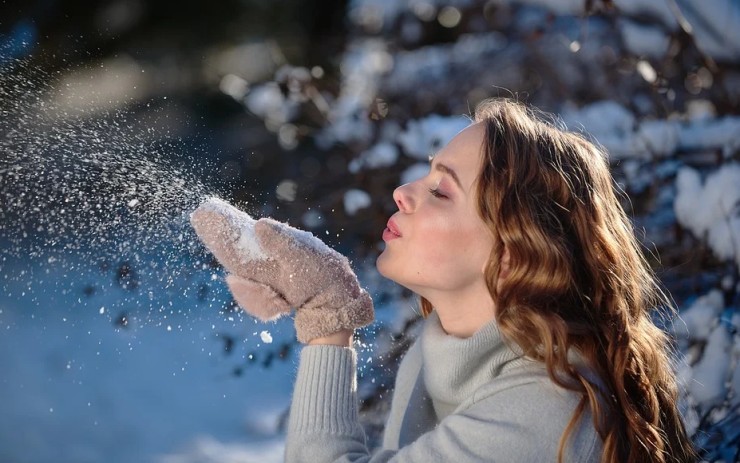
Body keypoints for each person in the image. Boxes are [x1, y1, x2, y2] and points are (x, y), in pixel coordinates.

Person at [191, 98, 697, 462]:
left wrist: (328, 318)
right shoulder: (438, 356)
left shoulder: (547, 412)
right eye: (427, 175)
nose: (403, 192)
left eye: (441, 192)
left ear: (511, 253)